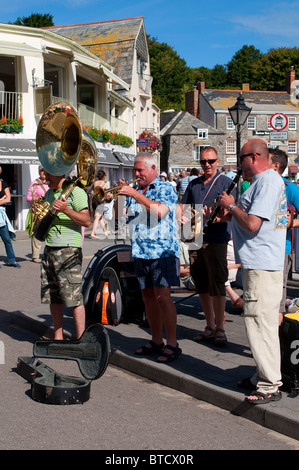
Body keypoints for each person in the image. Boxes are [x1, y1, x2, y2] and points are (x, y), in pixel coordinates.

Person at [217, 138, 287, 404]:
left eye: (241, 159)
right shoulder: (264, 182)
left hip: (261, 263)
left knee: (260, 323)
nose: (239, 165)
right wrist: (231, 212)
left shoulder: (267, 182)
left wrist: (231, 204)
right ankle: (262, 376)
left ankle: (270, 385)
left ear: (255, 157)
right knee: (260, 322)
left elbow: (253, 224)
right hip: (259, 262)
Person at [117, 152, 181, 363]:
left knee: (163, 298)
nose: (136, 174)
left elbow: (160, 211)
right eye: (135, 170)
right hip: (141, 251)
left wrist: (135, 195)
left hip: (162, 251)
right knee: (148, 298)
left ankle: (172, 343)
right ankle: (156, 340)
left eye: (140, 170)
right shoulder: (135, 190)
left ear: (153, 169)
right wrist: (119, 196)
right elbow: (120, 217)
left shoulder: (166, 188)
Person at [179, 146, 235, 346]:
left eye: (211, 161)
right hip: (195, 238)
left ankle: (220, 327)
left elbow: (233, 212)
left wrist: (216, 215)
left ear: (218, 162)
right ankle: (209, 325)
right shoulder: (194, 184)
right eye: (203, 161)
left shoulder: (227, 183)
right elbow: (183, 207)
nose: (207, 165)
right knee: (201, 282)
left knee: (218, 283)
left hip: (216, 239)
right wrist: (184, 216)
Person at [40, 170, 90, 340]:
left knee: (73, 297)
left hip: (69, 249)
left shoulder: (77, 192)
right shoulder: (48, 193)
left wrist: (66, 209)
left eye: (48, 174)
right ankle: (58, 336)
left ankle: (81, 339)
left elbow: (86, 221)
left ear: (59, 173)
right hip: (49, 248)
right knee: (53, 296)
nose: (45, 177)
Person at [269, 147, 299, 324]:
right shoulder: (257, 185)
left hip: (282, 249)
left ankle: (277, 341)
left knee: (277, 298)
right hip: (263, 249)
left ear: (276, 166)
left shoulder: (291, 189)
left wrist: (291, 223)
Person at [26, 166, 49, 262]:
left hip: (49, 209)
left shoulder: (51, 182)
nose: (44, 173)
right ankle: (35, 256)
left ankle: (49, 254)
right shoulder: (34, 183)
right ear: (39, 172)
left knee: (49, 232)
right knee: (37, 232)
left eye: (45, 171)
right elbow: (28, 198)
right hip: (38, 211)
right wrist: (39, 198)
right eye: (42, 171)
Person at [0, 167, 20, 268]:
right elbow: (5, 198)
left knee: (7, 239)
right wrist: (2, 199)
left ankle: (12, 260)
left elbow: (8, 199)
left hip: (1, 216)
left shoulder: (4, 184)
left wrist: (3, 199)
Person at [90, 169, 109, 238]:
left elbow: (93, 190)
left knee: (100, 217)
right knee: (97, 217)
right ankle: (92, 233)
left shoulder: (95, 182)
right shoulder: (105, 183)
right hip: (100, 201)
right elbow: (107, 194)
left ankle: (105, 231)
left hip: (94, 200)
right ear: (103, 176)